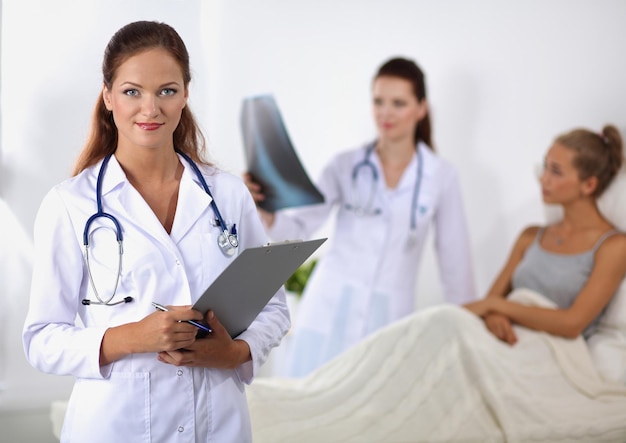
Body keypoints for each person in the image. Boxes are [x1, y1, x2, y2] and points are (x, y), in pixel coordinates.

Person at [245, 124, 626, 442]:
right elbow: (487, 302)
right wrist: (492, 313)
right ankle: (324, 403)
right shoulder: (531, 236)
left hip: (547, 353)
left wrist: (498, 308)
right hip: (501, 335)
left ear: (589, 184)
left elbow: (573, 322)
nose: (543, 178)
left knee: (442, 334)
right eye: (544, 166)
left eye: (556, 171)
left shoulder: (613, 246)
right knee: (436, 327)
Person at [22, 21, 289, 443]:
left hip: (217, 423)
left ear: (185, 95)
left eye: (167, 90)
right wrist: (132, 337)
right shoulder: (69, 204)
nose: (151, 109)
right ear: (108, 96)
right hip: (116, 427)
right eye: (132, 92)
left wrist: (235, 352)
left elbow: (273, 308)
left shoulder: (226, 194)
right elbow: (41, 339)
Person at [244, 57, 476, 377]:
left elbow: (456, 264)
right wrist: (265, 211)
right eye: (379, 101)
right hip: (327, 311)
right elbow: (299, 225)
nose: (385, 113)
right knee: (307, 406)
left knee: (373, 413)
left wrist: (466, 331)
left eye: (398, 103)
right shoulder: (347, 165)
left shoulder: (441, 176)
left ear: (421, 108)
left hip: (389, 320)